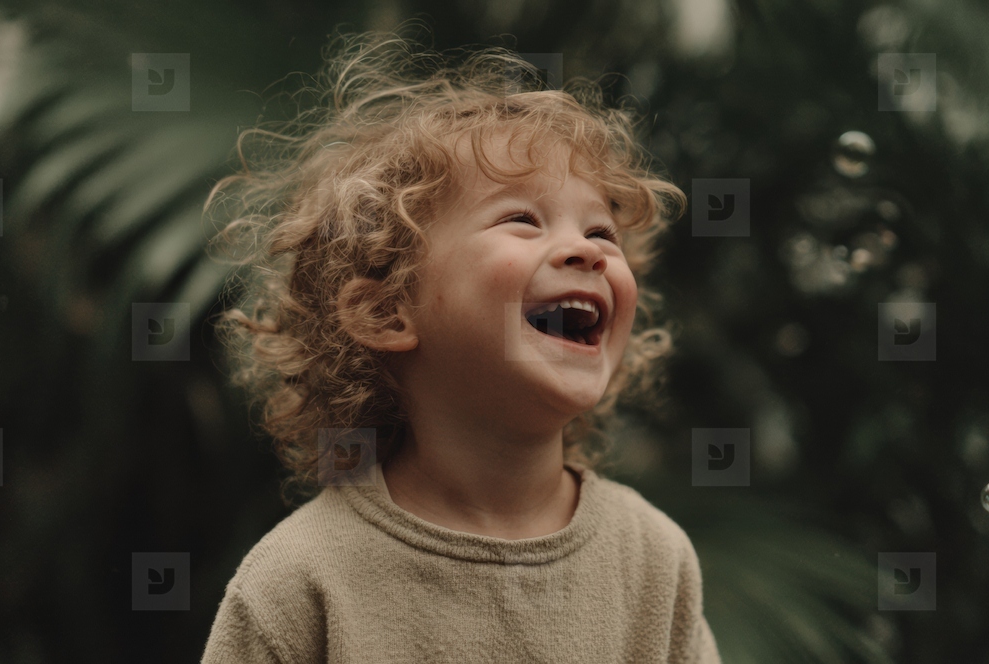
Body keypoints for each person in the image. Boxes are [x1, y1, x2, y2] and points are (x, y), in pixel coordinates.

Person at [200, 25, 721, 663]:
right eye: (522, 220)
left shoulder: (652, 557)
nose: (588, 250)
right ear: (385, 310)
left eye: (602, 231)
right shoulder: (302, 581)